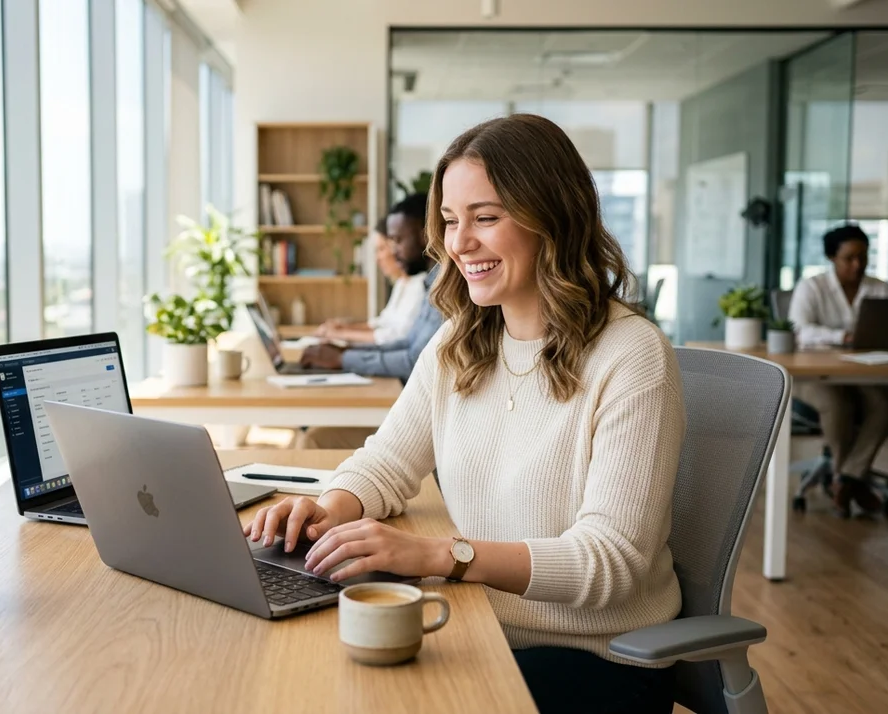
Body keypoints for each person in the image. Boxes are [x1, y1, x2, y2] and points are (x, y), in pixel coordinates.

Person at [251, 114, 685, 714]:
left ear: (553, 217)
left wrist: (441, 555)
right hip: (477, 622)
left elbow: (611, 563)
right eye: (451, 222)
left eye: (486, 217)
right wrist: (326, 509)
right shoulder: (461, 339)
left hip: (598, 654)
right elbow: (387, 462)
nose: (459, 244)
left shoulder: (631, 356)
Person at [294, 194, 443, 449]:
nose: (393, 251)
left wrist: (343, 358)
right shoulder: (432, 284)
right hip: (409, 410)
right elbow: (407, 343)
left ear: (425, 235)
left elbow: (411, 360)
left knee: (314, 439)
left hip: (421, 425)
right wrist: (345, 351)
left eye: (397, 240)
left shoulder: (445, 288)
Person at [788, 224, 888, 517]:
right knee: (838, 404)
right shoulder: (812, 288)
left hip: (863, 373)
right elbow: (800, 331)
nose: (858, 264)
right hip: (814, 375)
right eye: (849, 257)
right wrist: (843, 338)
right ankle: (849, 478)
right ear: (831, 257)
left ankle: (846, 478)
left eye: (863, 257)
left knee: (884, 405)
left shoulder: (880, 289)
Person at [315, 217, 427, 345]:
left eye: (381, 249)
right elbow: (384, 323)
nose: (377, 259)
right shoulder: (402, 283)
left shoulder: (421, 285)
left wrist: (341, 333)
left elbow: (395, 336)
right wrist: (342, 328)